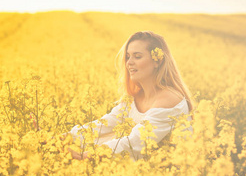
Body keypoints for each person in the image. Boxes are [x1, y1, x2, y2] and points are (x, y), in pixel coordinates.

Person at [67, 31, 194, 161]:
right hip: (145, 173)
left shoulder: (170, 98)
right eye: (128, 57)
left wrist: (86, 156)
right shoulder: (133, 98)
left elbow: (135, 143)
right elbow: (106, 124)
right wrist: (68, 137)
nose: (129, 63)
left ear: (157, 61)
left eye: (137, 57)